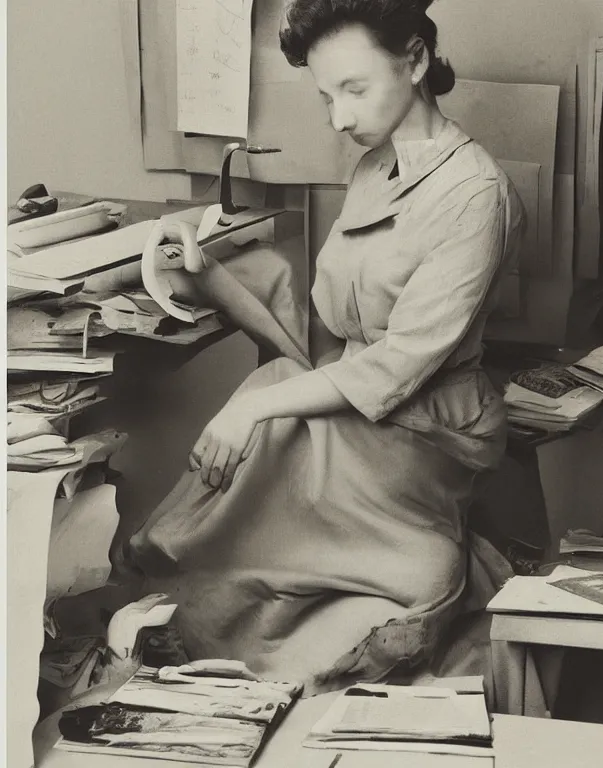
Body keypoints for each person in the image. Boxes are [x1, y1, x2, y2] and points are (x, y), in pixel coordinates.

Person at [126, 0, 525, 692]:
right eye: (325, 96)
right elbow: (328, 335)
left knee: (266, 420)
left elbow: (399, 364)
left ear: (417, 61)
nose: (338, 117)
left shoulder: (477, 195)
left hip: (428, 430)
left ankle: (213, 583)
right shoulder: (375, 168)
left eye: (354, 89)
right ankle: (202, 599)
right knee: (270, 403)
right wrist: (211, 277)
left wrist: (256, 410)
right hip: (361, 403)